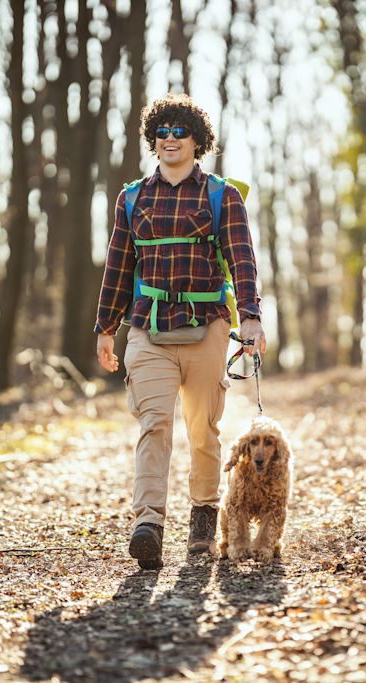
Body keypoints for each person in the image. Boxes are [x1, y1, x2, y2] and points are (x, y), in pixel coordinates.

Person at [94, 93, 266, 570]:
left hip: (207, 325)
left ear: (197, 140)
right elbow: (118, 265)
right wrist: (106, 326)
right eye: (162, 131)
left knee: (203, 430)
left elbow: (241, 258)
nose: (170, 139)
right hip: (147, 327)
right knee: (153, 425)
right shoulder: (132, 198)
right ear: (153, 139)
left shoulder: (221, 196)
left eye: (180, 132)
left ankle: (203, 520)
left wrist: (250, 315)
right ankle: (147, 524)